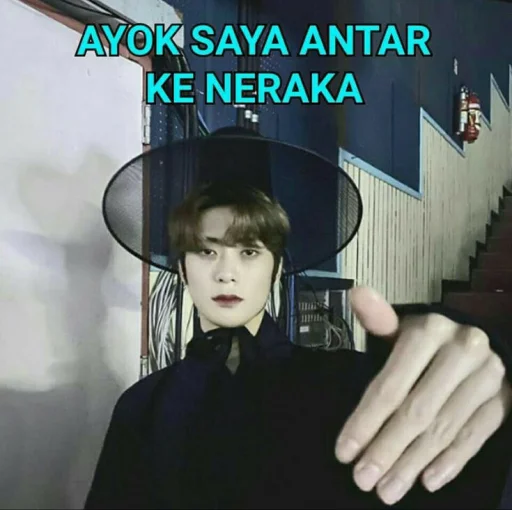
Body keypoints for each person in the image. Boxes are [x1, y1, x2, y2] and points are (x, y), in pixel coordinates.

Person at [85, 128, 512, 508]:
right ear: (182, 269)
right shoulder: (142, 408)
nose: (226, 272)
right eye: (206, 250)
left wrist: (494, 379)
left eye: (248, 251)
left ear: (275, 269)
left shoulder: (347, 384)